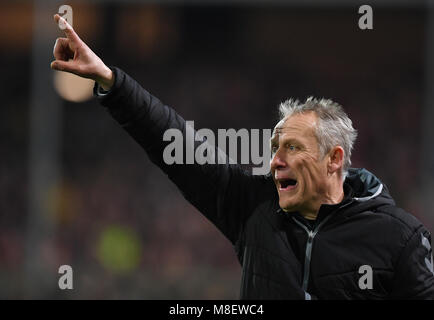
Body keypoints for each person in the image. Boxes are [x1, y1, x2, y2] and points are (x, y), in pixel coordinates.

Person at [50, 14, 434, 299]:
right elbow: (178, 145)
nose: (275, 161)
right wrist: (111, 83)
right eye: (274, 149)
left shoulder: (400, 239)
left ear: (333, 158)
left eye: (292, 148)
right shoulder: (254, 207)